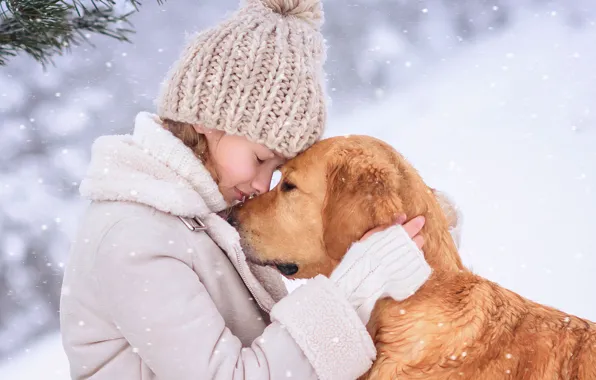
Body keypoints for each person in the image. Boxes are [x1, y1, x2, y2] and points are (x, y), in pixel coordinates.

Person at [60, 1, 460, 379]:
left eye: (278, 170)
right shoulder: (134, 237)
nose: (261, 184)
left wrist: (393, 234)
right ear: (207, 120)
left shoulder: (195, 216)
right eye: (260, 158)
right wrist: (352, 291)